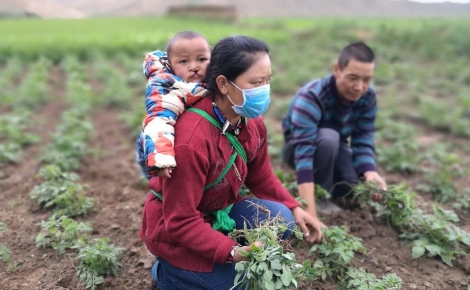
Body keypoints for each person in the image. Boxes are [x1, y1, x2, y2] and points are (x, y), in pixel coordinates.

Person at [140, 35, 324, 290]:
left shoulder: (251, 121)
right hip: (176, 230)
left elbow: (260, 176)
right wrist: (232, 251)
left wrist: (295, 207)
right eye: (256, 82)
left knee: (282, 219)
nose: (265, 90)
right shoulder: (192, 139)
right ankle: (168, 273)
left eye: (268, 81)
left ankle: (210, 253)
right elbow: (181, 220)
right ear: (224, 84)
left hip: (216, 210)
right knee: (243, 283)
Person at [281, 42, 387, 218]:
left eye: (366, 80)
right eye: (353, 78)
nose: (359, 87)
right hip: (297, 148)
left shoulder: (367, 97)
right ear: (337, 70)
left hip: (336, 147)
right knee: (329, 137)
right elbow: (304, 154)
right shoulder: (311, 97)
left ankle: (329, 183)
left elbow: (363, 138)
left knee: (353, 187)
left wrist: (370, 171)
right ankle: (320, 197)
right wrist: (310, 211)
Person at [136, 30, 211, 179]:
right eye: (184, 61)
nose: (194, 67)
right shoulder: (166, 86)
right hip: (155, 147)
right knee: (165, 183)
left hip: (188, 141)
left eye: (202, 59)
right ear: (170, 65)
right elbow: (159, 121)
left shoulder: (212, 80)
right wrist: (161, 157)